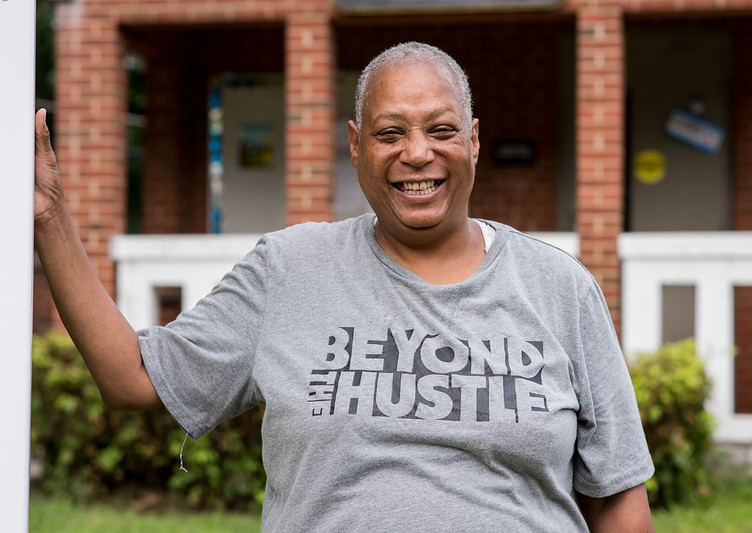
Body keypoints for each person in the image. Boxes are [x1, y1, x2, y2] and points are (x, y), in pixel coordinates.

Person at [34, 42, 654, 532]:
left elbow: (618, 504)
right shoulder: (289, 269)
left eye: (441, 130)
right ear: (356, 146)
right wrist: (49, 216)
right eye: (390, 133)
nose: (417, 154)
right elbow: (133, 378)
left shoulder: (560, 289)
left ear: (473, 141)